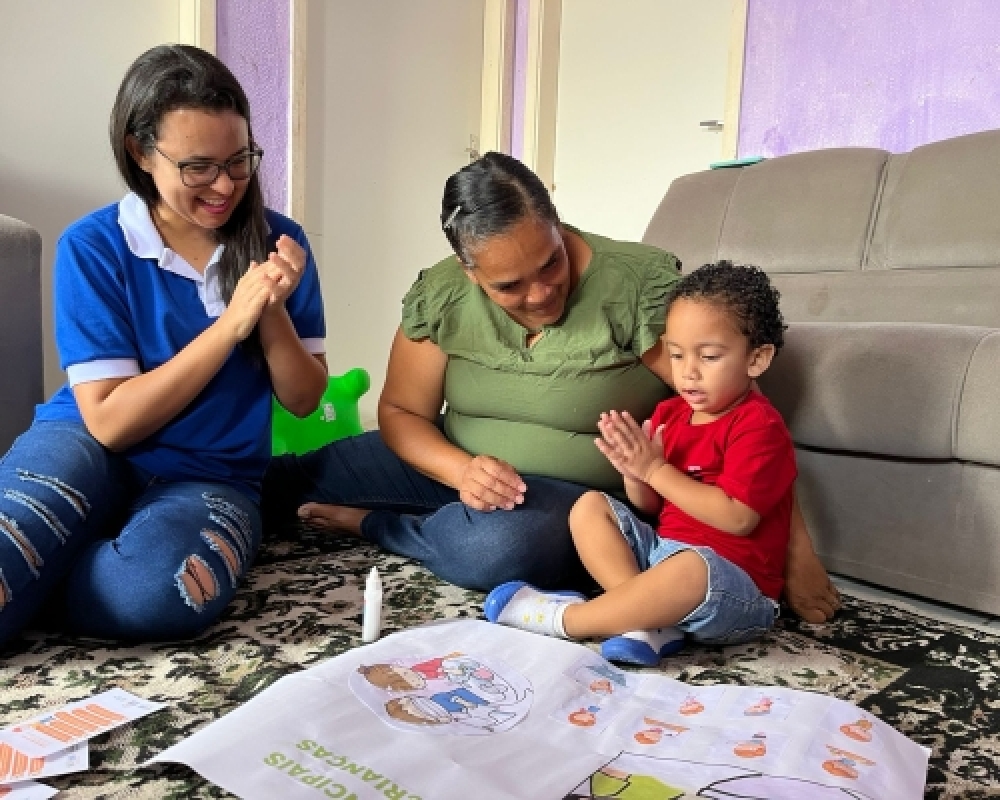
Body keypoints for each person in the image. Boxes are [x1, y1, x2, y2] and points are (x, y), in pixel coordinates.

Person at [263, 153, 839, 622]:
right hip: (454, 460)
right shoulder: (443, 294)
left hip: (569, 496)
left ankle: (377, 524)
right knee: (278, 482)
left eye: (550, 263)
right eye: (511, 285)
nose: (540, 294)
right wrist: (460, 472)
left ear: (557, 224)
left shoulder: (633, 284)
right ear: (469, 271)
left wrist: (798, 550)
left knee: (494, 550)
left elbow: (738, 412)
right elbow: (401, 412)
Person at [0, 45, 327, 645]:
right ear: (140, 151)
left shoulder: (281, 240)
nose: (225, 185)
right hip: (85, 443)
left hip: (212, 475)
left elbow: (305, 398)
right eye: (199, 166)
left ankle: (38, 580)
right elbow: (109, 425)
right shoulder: (94, 246)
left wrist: (270, 309)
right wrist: (230, 326)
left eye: (239, 160)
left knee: (164, 595)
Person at [484, 263, 796, 665]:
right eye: (678, 355)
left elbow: (738, 518)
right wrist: (635, 474)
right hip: (664, 560)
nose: (689, 372)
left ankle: (569, 619)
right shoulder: (671, 413)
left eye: (710, 356)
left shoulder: (758, 425)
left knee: (691, 567)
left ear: (757, 359)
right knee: (590, 506)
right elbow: (651, 506)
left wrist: (656, 471)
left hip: (735, 589)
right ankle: (645, 622)